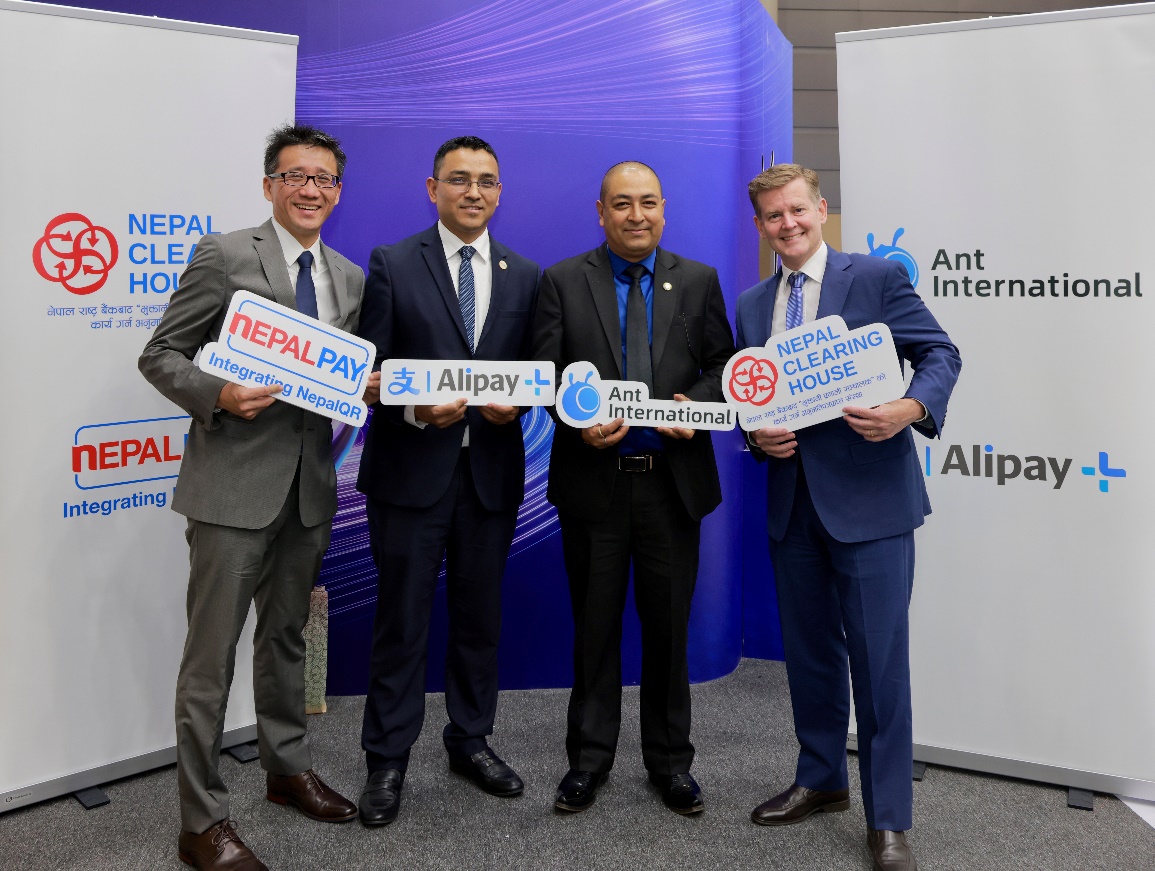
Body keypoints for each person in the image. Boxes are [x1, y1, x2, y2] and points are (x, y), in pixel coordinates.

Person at [139, 124, 370, 871]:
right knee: (209, 661)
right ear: (269, 184)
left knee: (286, 639)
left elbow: (337, 379)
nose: (310, 189)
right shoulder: (225, 254)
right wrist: (219, 393)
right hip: (231, 490)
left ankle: (286, 769)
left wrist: (364, 385)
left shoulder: (349, 276)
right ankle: (200, 822)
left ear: (337, 191)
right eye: (295, 175)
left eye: (323, 178)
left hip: (309, 489)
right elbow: (160, 354)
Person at [735, 164, 960, 871]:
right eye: (773, 216)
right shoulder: (751, 305)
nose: (787, 224)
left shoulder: (875, 278)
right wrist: (754, 435)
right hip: (792, 503)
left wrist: (909, 408)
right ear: (760, 226)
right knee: (809, 655)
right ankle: (821, 777)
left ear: (820, 208)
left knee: (879, 664)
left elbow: (939, 352)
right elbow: (752, 399)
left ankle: (888, 818)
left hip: (871, 504)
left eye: (797, 210)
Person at [530, 161, 735, 816]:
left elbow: (723, 365)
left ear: (664, 209)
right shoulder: (563, 280)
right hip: (594, 486)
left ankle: (671, 763)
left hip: (671, 487)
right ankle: (587, 760)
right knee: (594, 631)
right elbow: (544, 371)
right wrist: (576, 419)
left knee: (668, 631)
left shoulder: (698, 279)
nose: (636, 215)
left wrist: (695, 403)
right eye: (622, 203)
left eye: (648, 202)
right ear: (601, 212)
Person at [354, 135, 540, 826]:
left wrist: (518, 404)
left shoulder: (525, 273)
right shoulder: (393, 262)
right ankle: (386, 757)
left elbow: (536, 370)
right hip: (409, 473)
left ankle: (470, 739)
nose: (473, 191)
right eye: (459, 179)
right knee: (401, 623)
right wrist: (413, 407)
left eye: (486, 181)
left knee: (478, 620)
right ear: (432, 189)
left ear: (499, 192)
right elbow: (368, 373)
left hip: (489, 475)